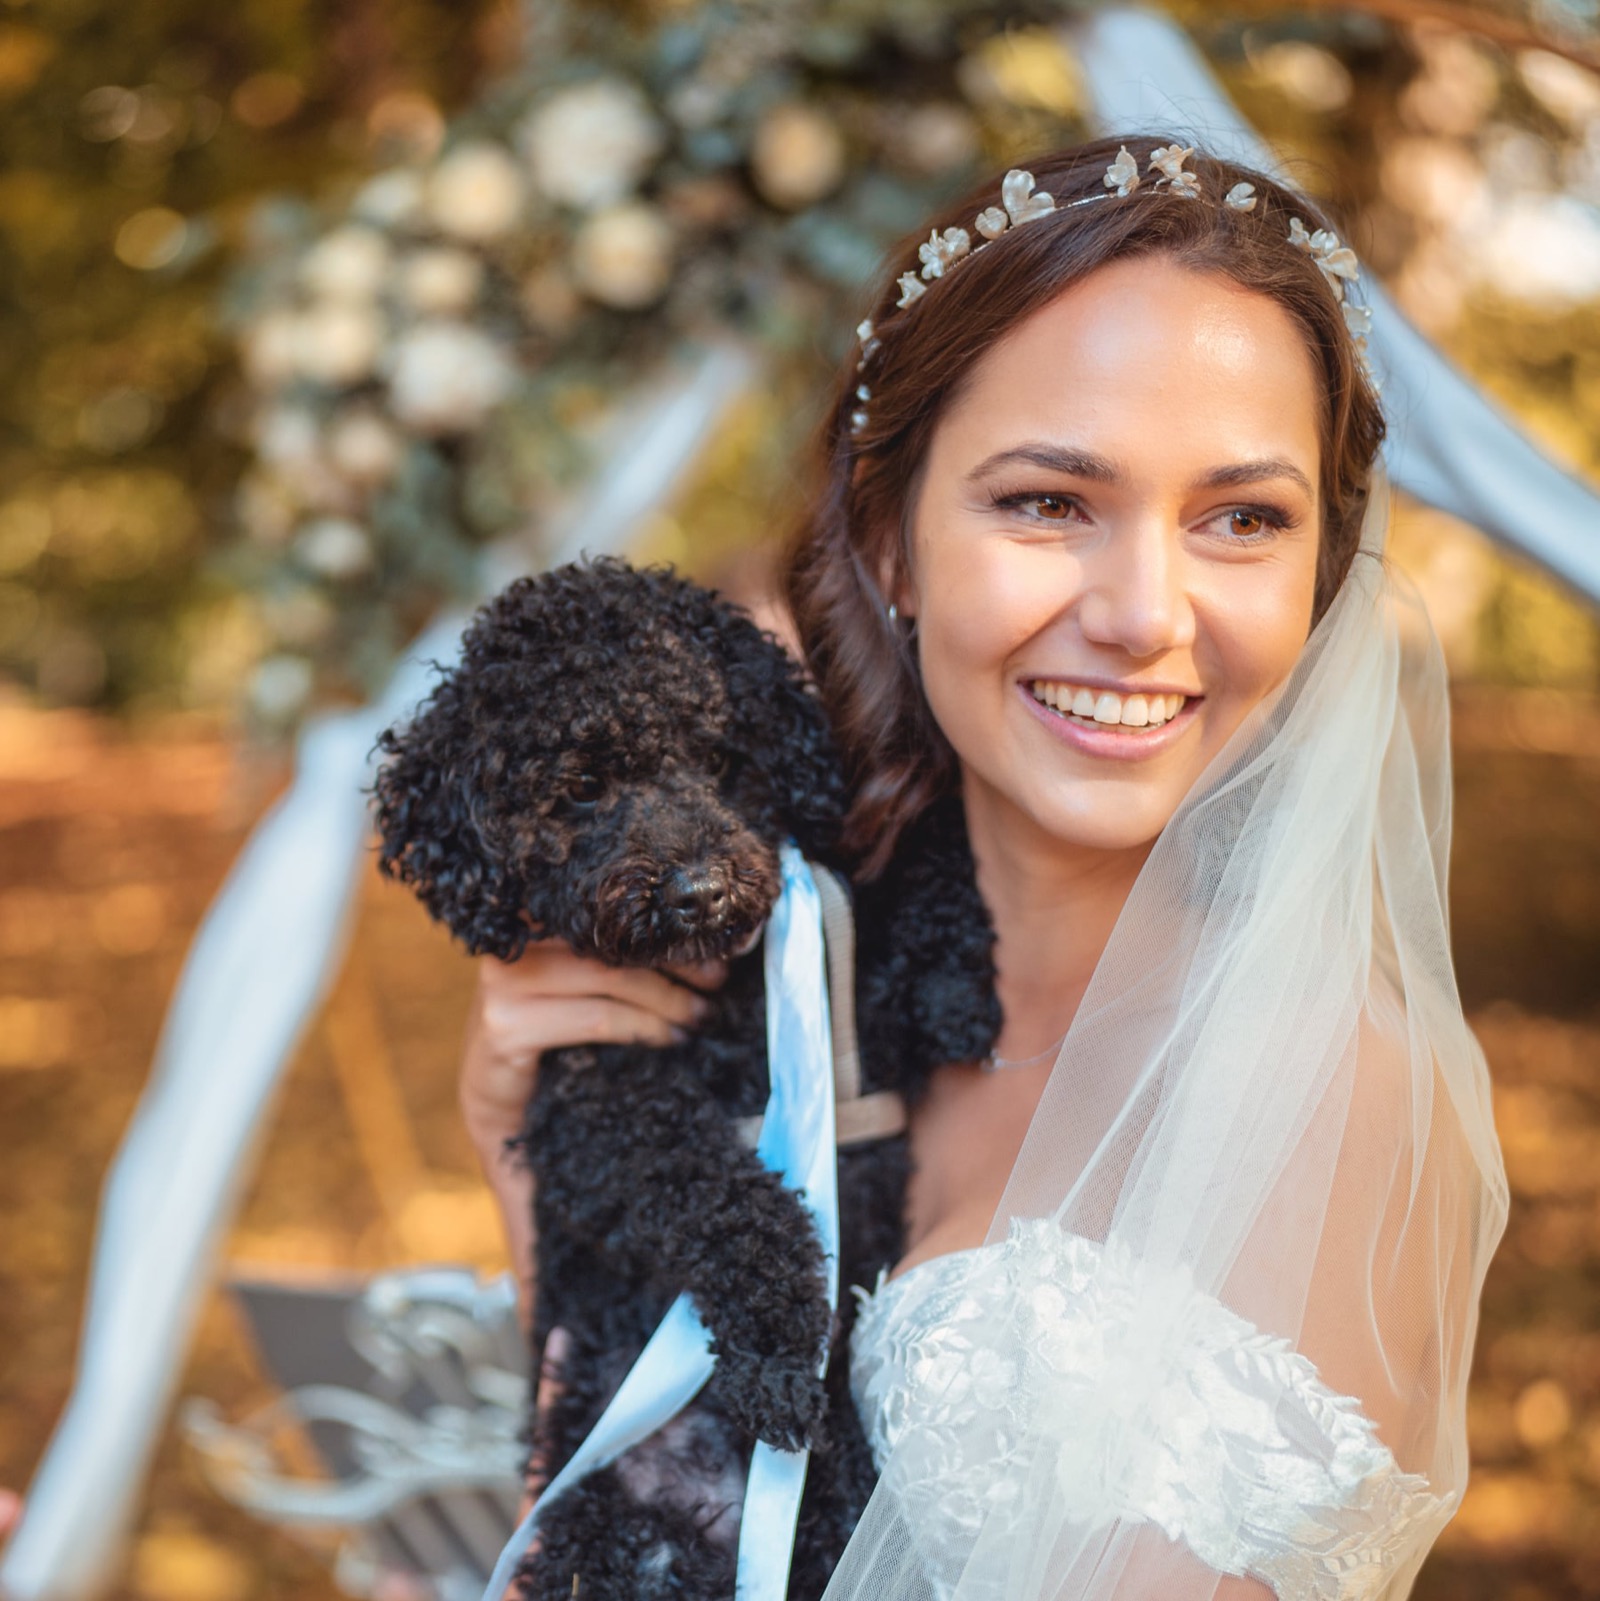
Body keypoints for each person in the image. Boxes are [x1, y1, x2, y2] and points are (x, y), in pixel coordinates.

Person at [459, 136, 1508, 1600]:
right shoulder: (788, 974)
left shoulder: (1325, 1088)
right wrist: (543, 1163)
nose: (1146, 613)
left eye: (1242, 518)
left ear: (1322, 569)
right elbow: (629, 1509)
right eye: (1049, 501)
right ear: (891, 541)